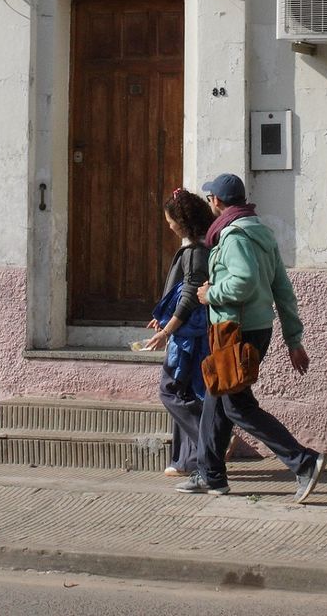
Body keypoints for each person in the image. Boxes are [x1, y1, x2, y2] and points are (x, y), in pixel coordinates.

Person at [175, 172, 326, 503]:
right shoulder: (261, 232)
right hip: (253, 328)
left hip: (235, 329)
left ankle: (303, 462)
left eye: (211, 197)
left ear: (217, 201)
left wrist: (210, 293)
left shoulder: (234, 237)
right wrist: (293, 337)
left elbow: (242, 282)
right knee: (218, 399)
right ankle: (211, 474)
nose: (210, 202)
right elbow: (281, 289)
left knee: (237, 406)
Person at [143, 188, 215, 477]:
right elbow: (179, 294)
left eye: (171, 220)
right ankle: (187, 460)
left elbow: (188, 297)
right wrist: (162, 320)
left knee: (171, 390)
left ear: (183, 221)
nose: (169, 225)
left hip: (190, 336)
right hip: (186, 331)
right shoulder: (196, 250)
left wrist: (168, 329)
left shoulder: (196, 252)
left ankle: (211, 441)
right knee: (186, 391)